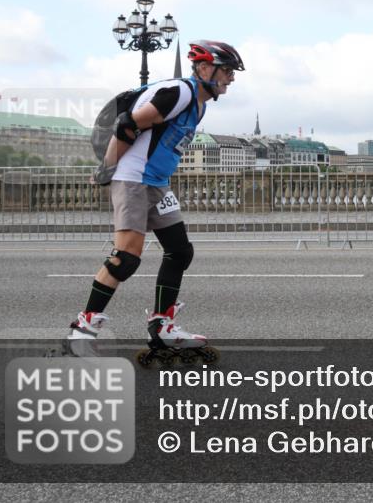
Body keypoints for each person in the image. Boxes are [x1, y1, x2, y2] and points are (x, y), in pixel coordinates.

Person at [66, 40, 244, 362]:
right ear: (204, 68)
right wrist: (106, 169)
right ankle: (82, 330)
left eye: (232, 72)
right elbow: (127, 125)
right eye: (227, 70)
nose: (231, 78)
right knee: (126, 259)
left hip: (157, 184)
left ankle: (162, 324)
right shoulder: (181, 93)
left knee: (180, 251)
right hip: (134, 180)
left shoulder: (199, 106)